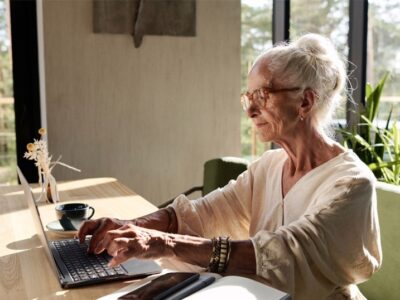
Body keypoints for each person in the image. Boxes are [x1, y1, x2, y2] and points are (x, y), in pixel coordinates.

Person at [78, 33, 381, 300]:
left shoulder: (351, 184)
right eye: (248, 97)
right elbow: (202, 213)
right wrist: (129, 226)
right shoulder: (270, 166)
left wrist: (164, 243)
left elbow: (285, 253)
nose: (250, 109)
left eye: (262, 95)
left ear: (304, 102)